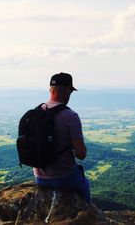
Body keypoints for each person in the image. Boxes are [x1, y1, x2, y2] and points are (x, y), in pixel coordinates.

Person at [33, 72, 90, 203]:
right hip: (65, 176)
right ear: (68, 91)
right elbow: (81, 155)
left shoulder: (37, 112)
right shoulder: (70, 116)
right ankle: (89, 215)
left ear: (50, 90)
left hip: (39, 177)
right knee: (85, 185)